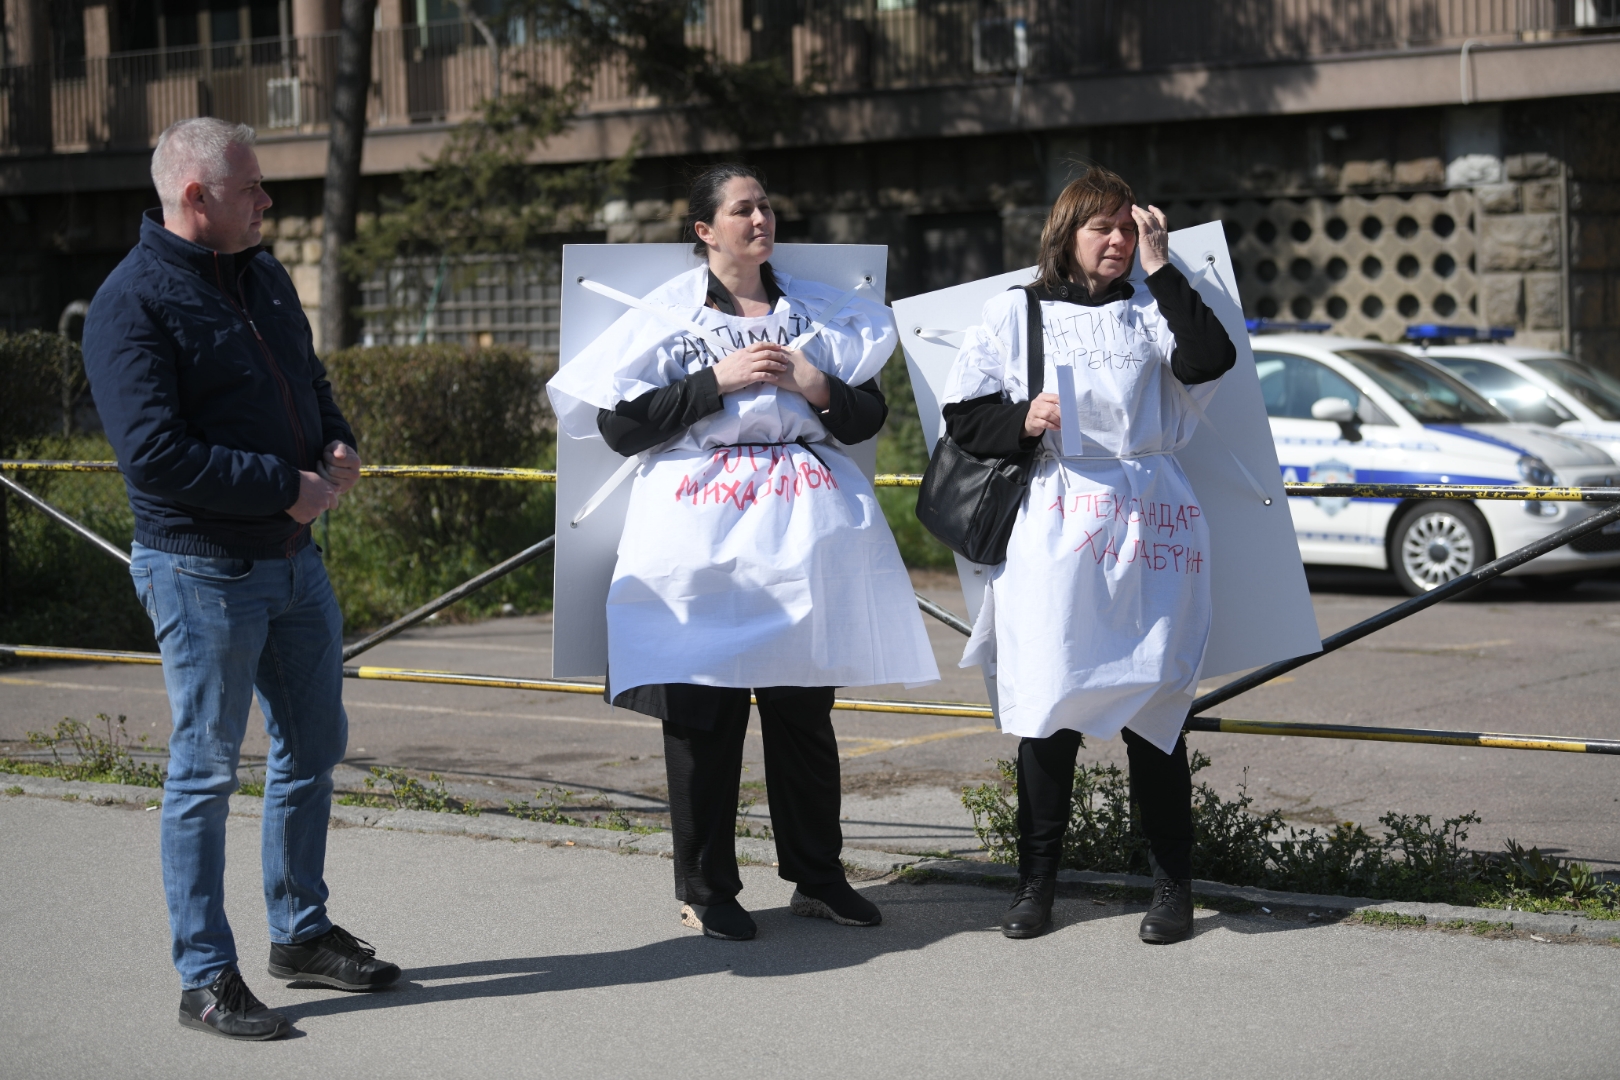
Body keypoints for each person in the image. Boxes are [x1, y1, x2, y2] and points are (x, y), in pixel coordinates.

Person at [547, 163, 939, 941]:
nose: (760, 218)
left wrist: (814, 382)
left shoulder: (816, 312)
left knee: (802, 708)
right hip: (699, 531)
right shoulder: (669, 315)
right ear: (705, 231)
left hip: (800, 532)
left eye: (765, 206)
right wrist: (713, 382)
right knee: (702, 710)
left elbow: (864, 419)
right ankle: (707, 886)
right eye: (742, 210)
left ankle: (817, 876)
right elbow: (622, 427)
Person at [82, 117, 399, 1042]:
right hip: (202, 571)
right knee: (204, 772)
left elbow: (306, 375)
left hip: (293, 563)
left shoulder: (259, 272)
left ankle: (298, 933)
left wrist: (334, 442)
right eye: (253, 188)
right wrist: (283, 487)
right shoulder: (130, 302)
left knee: (312, 746)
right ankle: (205, 979)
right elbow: (152, 456)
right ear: (196, 199)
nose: (267, 201)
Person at [941, 165, 1237, 943]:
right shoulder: (1016, 312)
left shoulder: (1154, 309)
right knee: (1050, 704)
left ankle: (1173, 886)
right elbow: (964, 417)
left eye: (1125, 226)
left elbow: (1210, 360)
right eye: (1100, 227)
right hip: (1058, 520)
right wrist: (1025, 417)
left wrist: (1162, 265)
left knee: (1156, 707)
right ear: (1065, 235)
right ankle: (1036, 885)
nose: (1115, 240)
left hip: (1150, 518)